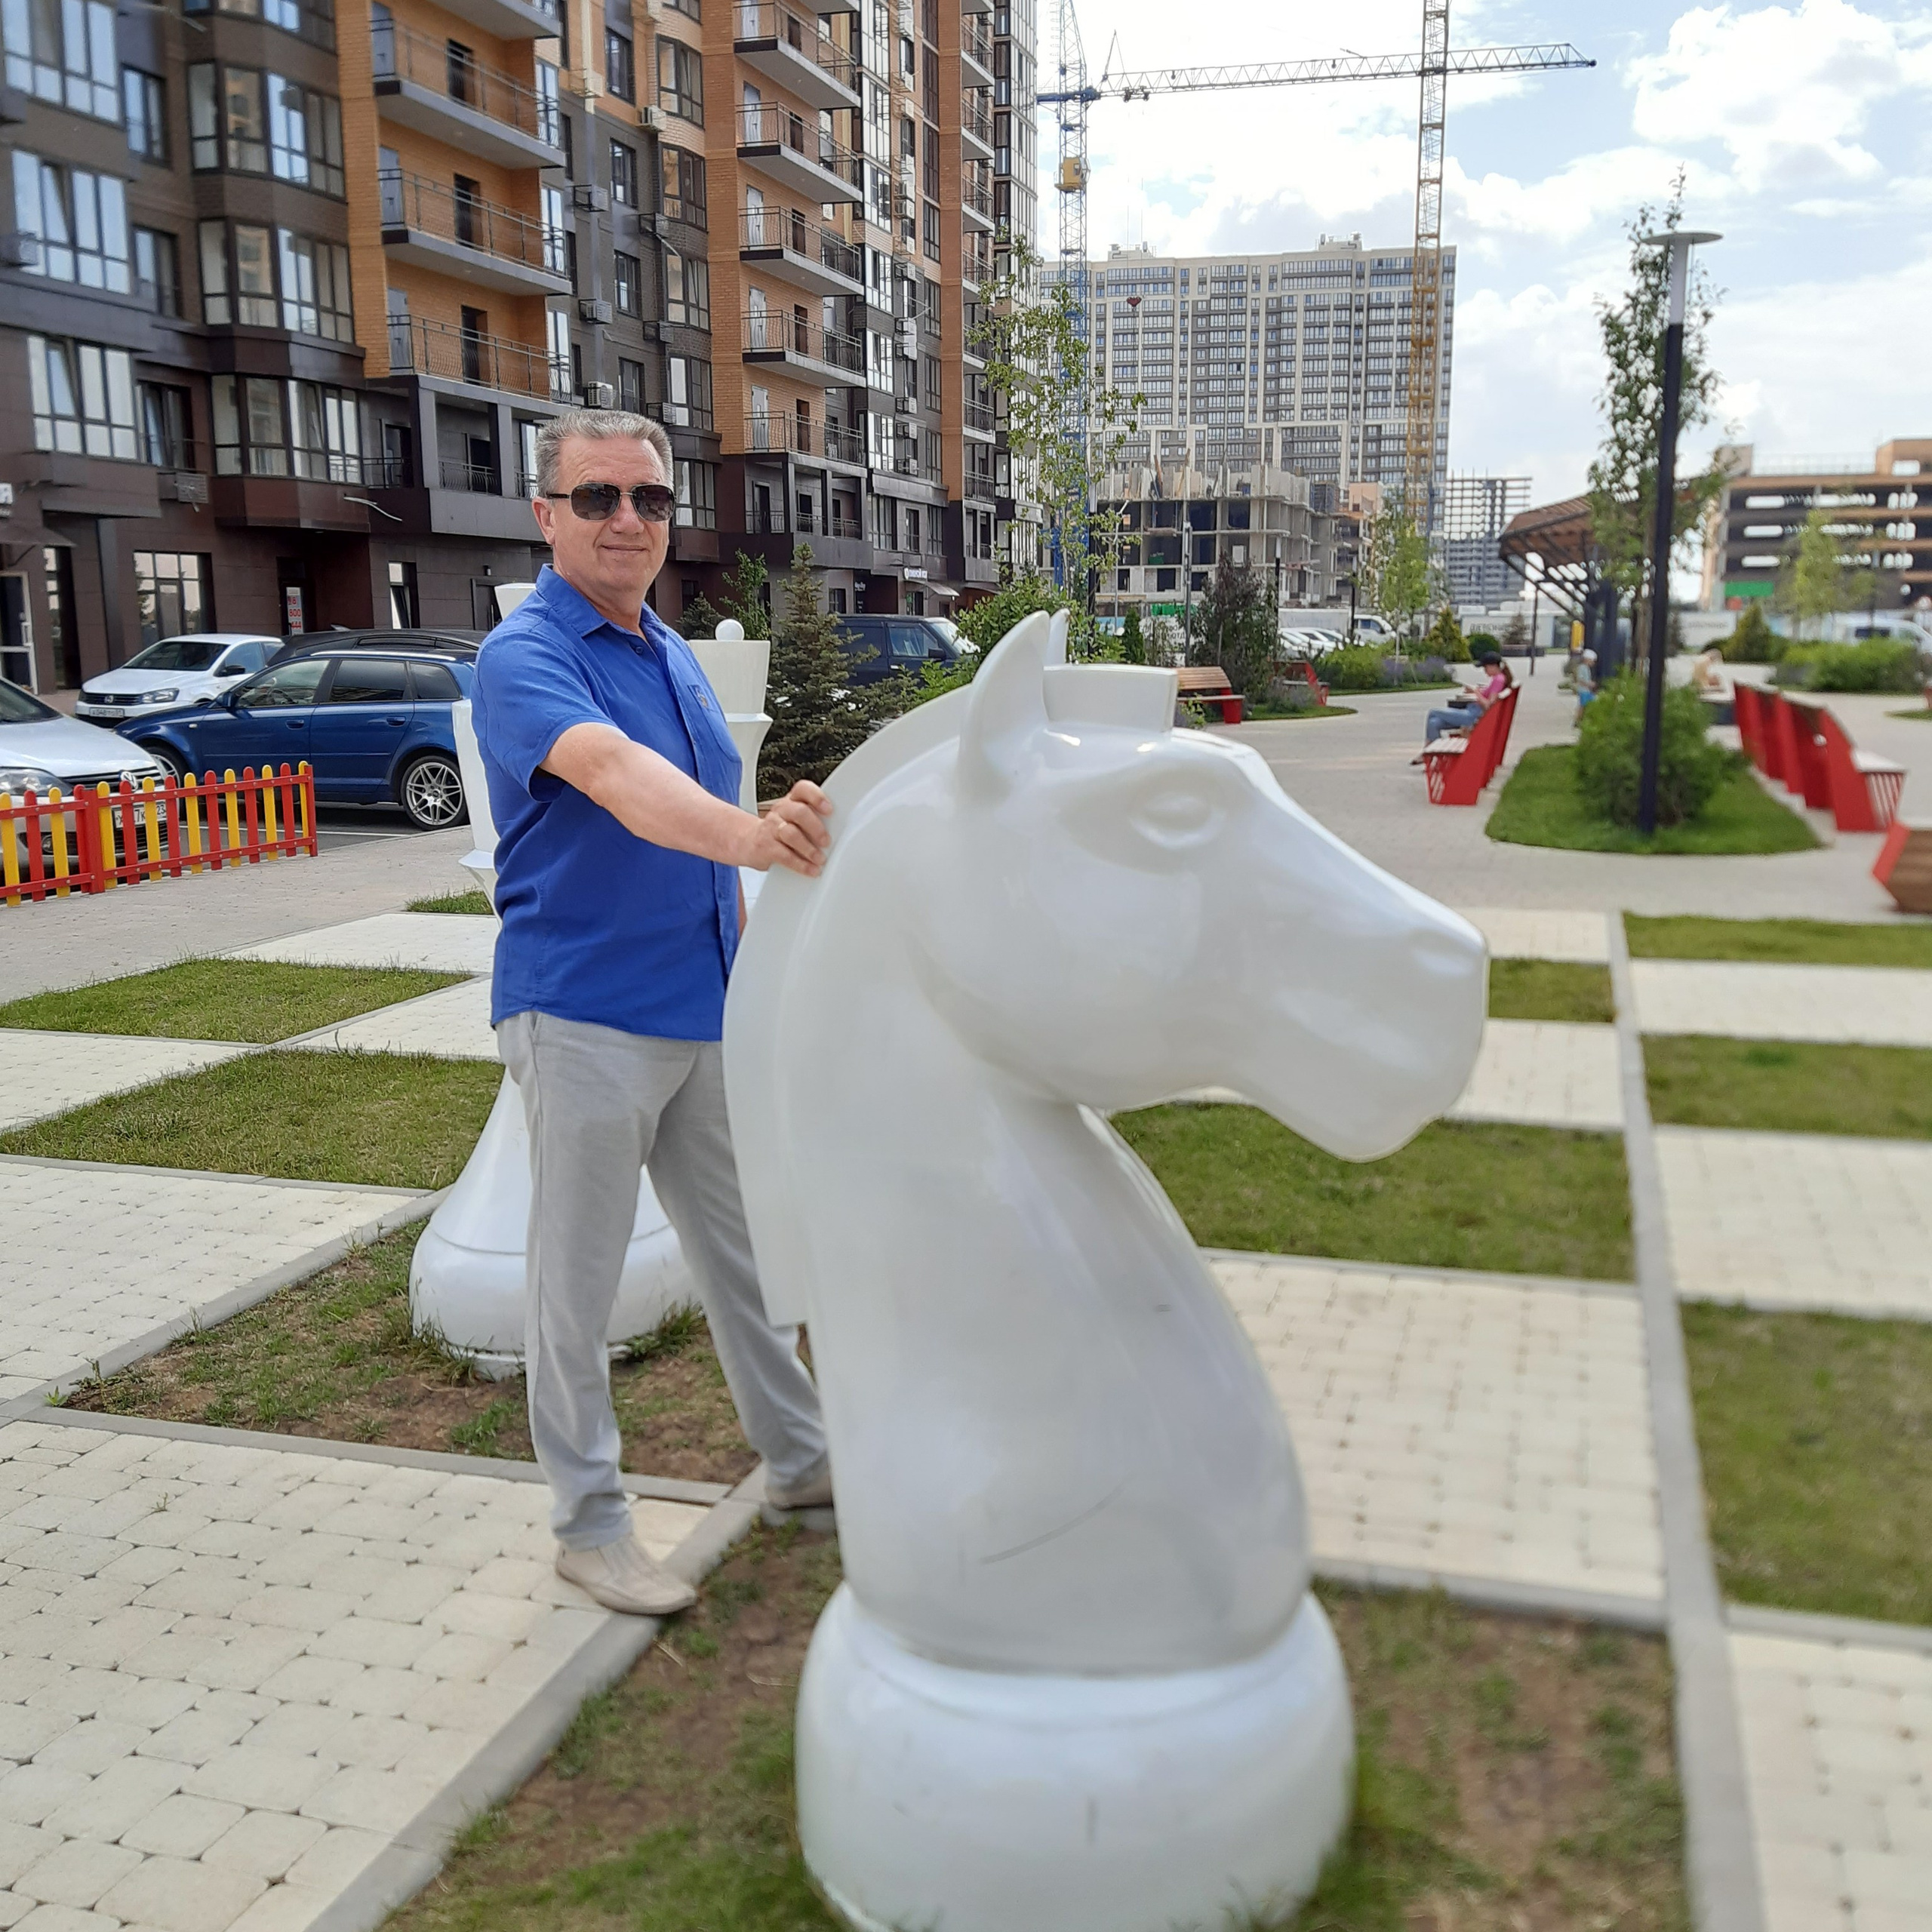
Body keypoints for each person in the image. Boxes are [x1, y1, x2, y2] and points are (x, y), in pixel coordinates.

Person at [471, 409, 834, 1617]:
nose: (628, 520)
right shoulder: (528, 657)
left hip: (701, 1013)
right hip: (580, 1015)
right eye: (598, 499)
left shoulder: (667, 652)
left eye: (649, 499)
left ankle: (803, 1464)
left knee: (747, 1254)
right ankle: (589, 1527)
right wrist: (754, 841)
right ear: (548, 515)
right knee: (571, 1289)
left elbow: (701, 828)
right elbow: (626, 788)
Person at [1417, 651, 1512, 755]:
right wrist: (1478, 691)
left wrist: (1476, 692)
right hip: (1472, 712)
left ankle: (1428, 749)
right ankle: (1432, 753)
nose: (1485, 671)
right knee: (1433, 723)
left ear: (1493, 666)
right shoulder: (1499, 679)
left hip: (1472, 716)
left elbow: (1488, 705)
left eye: (1485, 668)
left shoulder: (1498, 680)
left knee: (1433, 712)